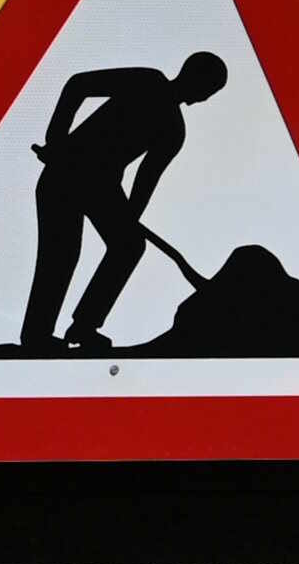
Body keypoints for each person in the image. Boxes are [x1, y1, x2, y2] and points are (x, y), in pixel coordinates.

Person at [22, 51, 230, 352]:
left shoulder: (174, 131)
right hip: (65, 173)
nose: (206, 98)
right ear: (196, 79)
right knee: (62, 253)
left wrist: (129, 219)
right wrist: (56, 140)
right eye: (209, 89)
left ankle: (84, 325)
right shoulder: (148, 82)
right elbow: (78, 85)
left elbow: (145, 181)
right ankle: (37, 337)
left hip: (101, 187)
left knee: (129, 245)